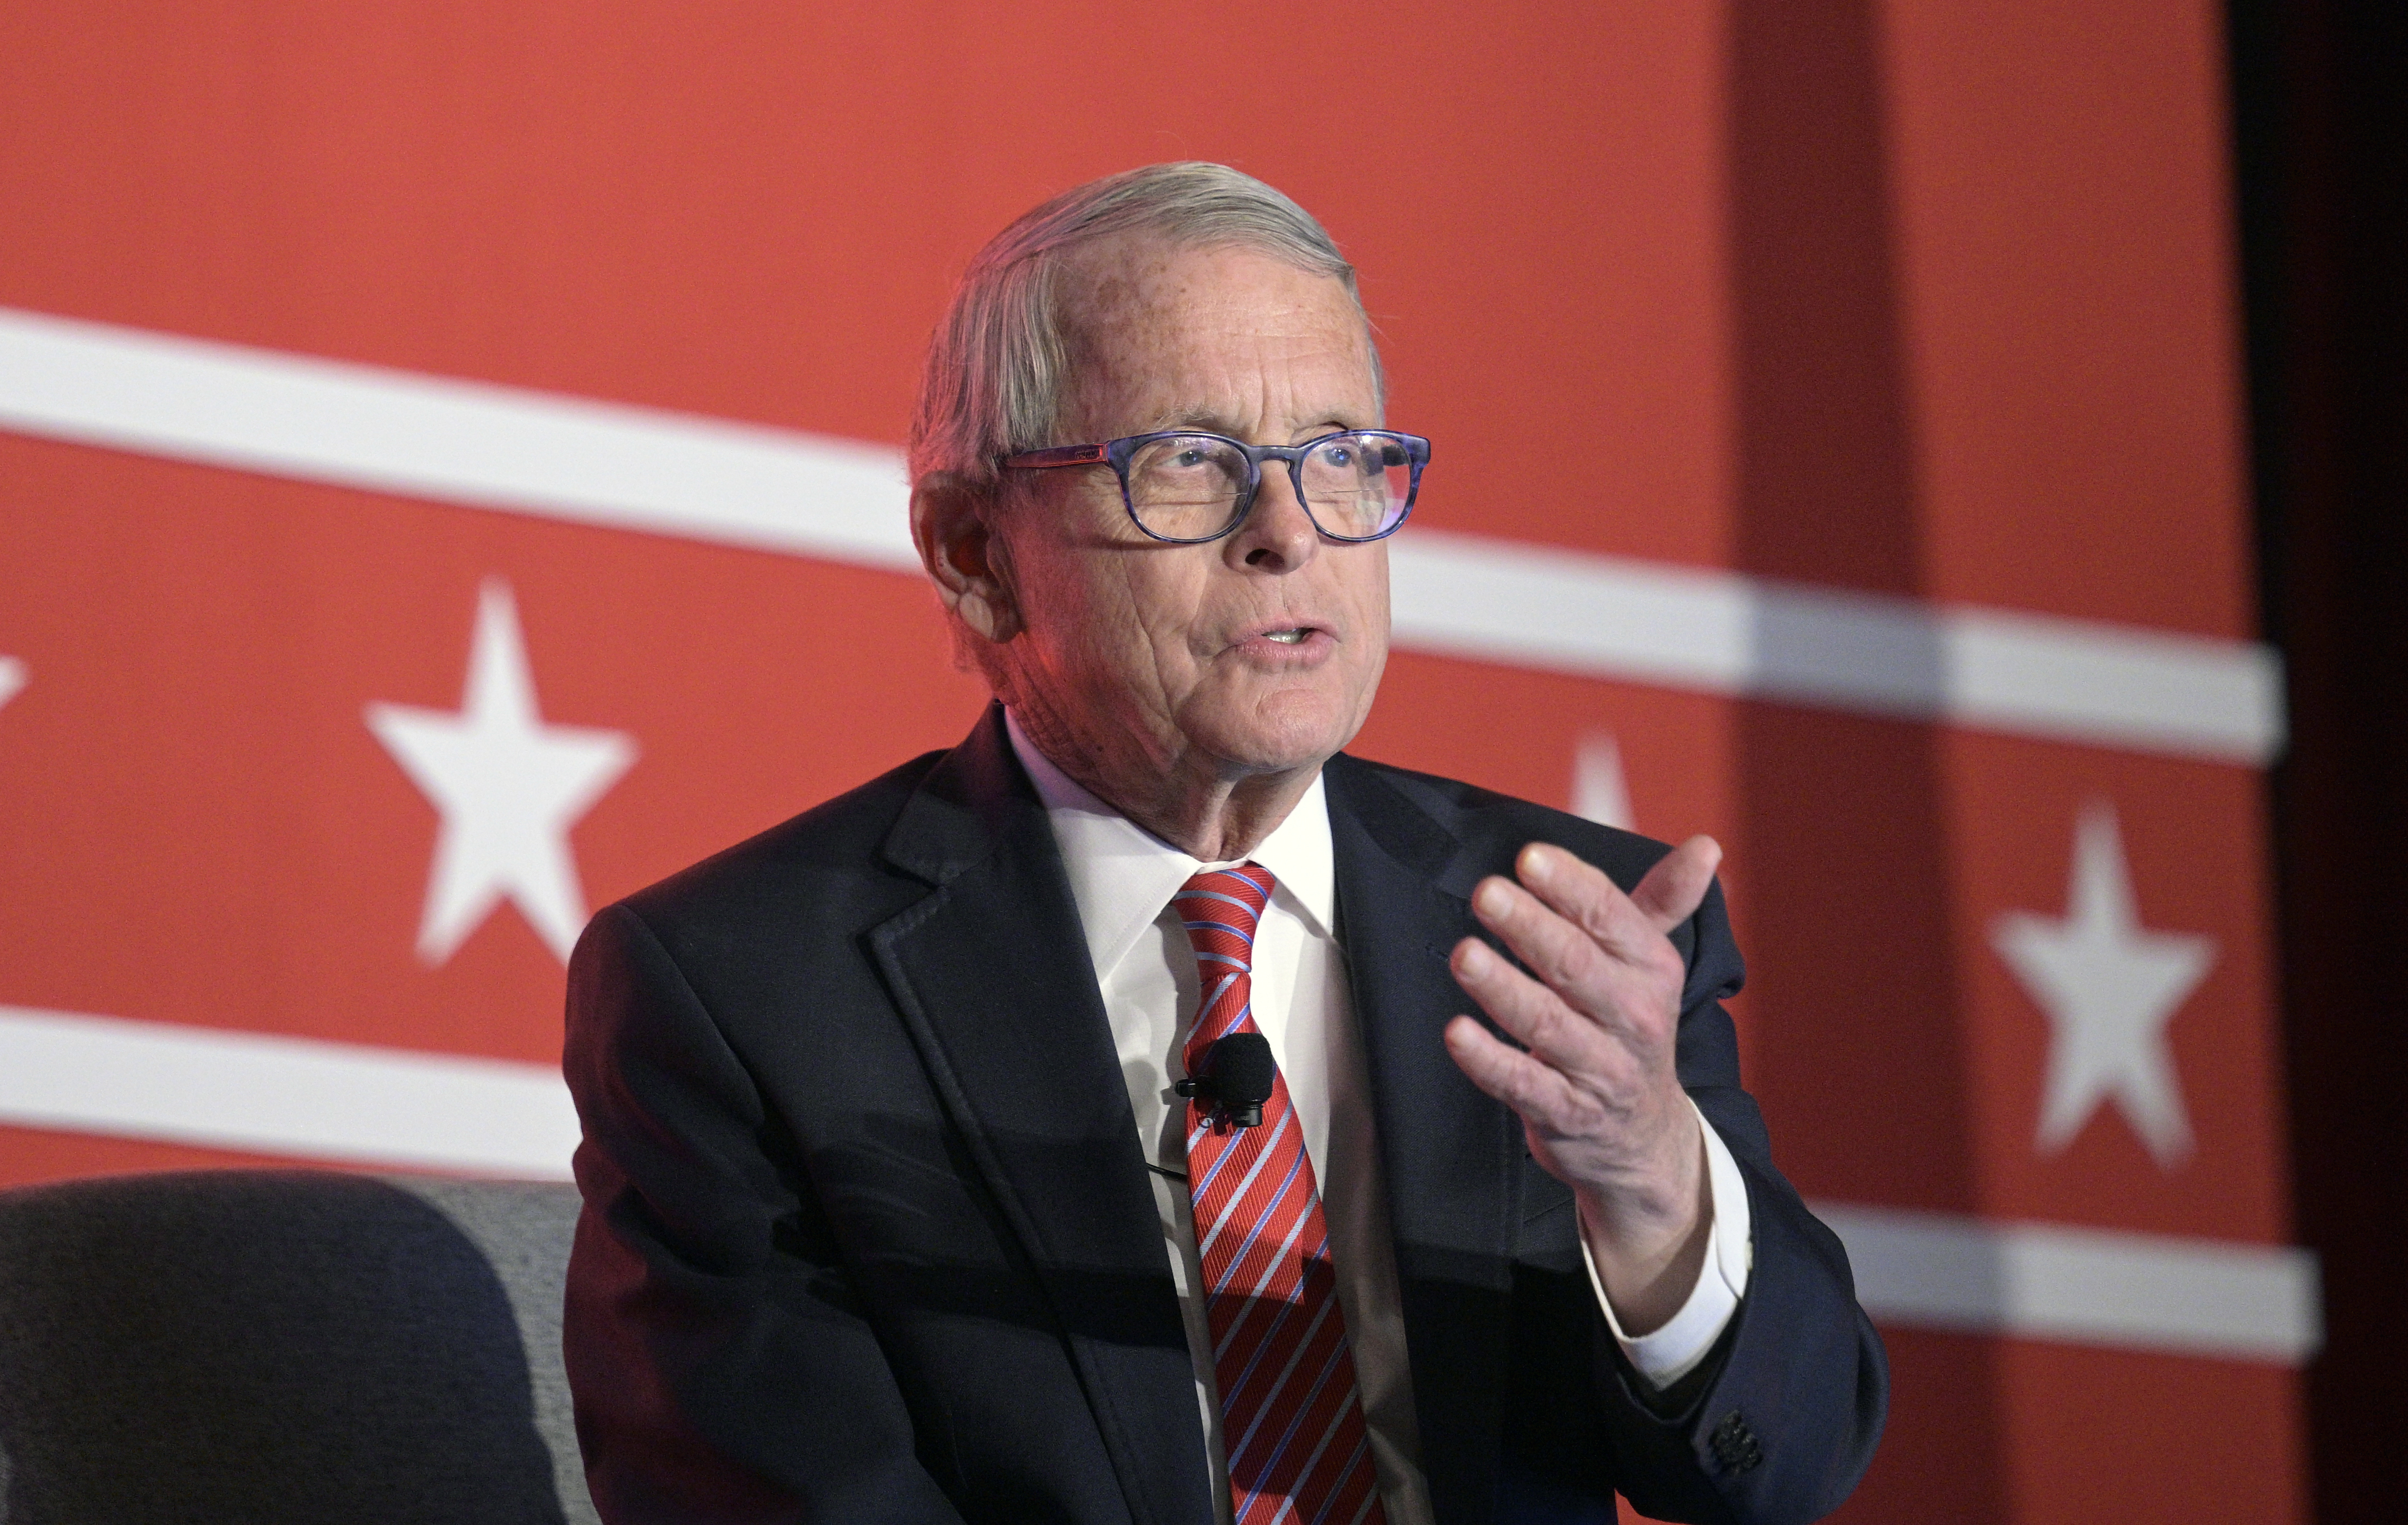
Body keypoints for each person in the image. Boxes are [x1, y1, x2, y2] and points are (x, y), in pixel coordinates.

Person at [562, 162, 1886, 1525]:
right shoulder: (743, 997)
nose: (1289, 534)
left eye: (1340, 458)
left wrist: (1655, 1176)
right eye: (1189, 465)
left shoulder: (1568, 936)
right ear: (976, 549)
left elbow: (1781, 1463)